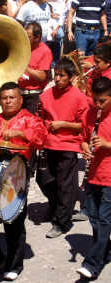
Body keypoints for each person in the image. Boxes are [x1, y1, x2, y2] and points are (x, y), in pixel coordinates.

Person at [0, 82, 47, 281]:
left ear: (21, 99)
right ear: (0, 101)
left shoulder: (31, 120)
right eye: (5, 98)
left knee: (13, 221)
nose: (8, 101)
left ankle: (14, 264)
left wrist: (21, 133)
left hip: (16, 176)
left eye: (12, 97)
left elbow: (41, 139)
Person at [39, 57, 88, 238]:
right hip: (48, 144)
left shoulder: (80, 98)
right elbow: (41, 118)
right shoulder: (45, 95)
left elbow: (84, 126)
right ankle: (56, 207)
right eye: (55, 75)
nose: (57, 79)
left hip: (68, 145)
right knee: (44, 180)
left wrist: (63, 124)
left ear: (71, 77)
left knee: (65, 185)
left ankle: (62, 222)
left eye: (61, 75)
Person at [77, 77, 111, 279]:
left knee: (105, 219)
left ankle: (92, 263)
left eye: (102, 101)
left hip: (109, 176)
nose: (97, 105)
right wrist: (84, 149)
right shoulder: (91, 113)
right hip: (93, 174)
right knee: (93, 216)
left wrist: (107, 145)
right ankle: (105, 249)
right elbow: (82, 139)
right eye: (95, 101)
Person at [18, 21, 53, 115]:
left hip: (33, 97)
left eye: (28, 37)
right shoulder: (21, 47)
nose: (24, 39)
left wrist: (25, 67)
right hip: (18, 94)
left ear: (37, 38)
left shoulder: (45, 51)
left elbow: (42, 77)